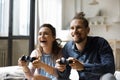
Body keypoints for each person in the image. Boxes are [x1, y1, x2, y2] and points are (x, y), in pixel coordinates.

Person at [55, 12, 116, 80]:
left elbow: (110, 68)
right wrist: (61, 70)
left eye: (78, 27)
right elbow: (65, 76)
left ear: (87, 30)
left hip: (100, 78)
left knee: (109, 77)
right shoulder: (67, 47)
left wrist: (83, 66)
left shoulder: (100, 43)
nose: (75, 31)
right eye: (72, 28)